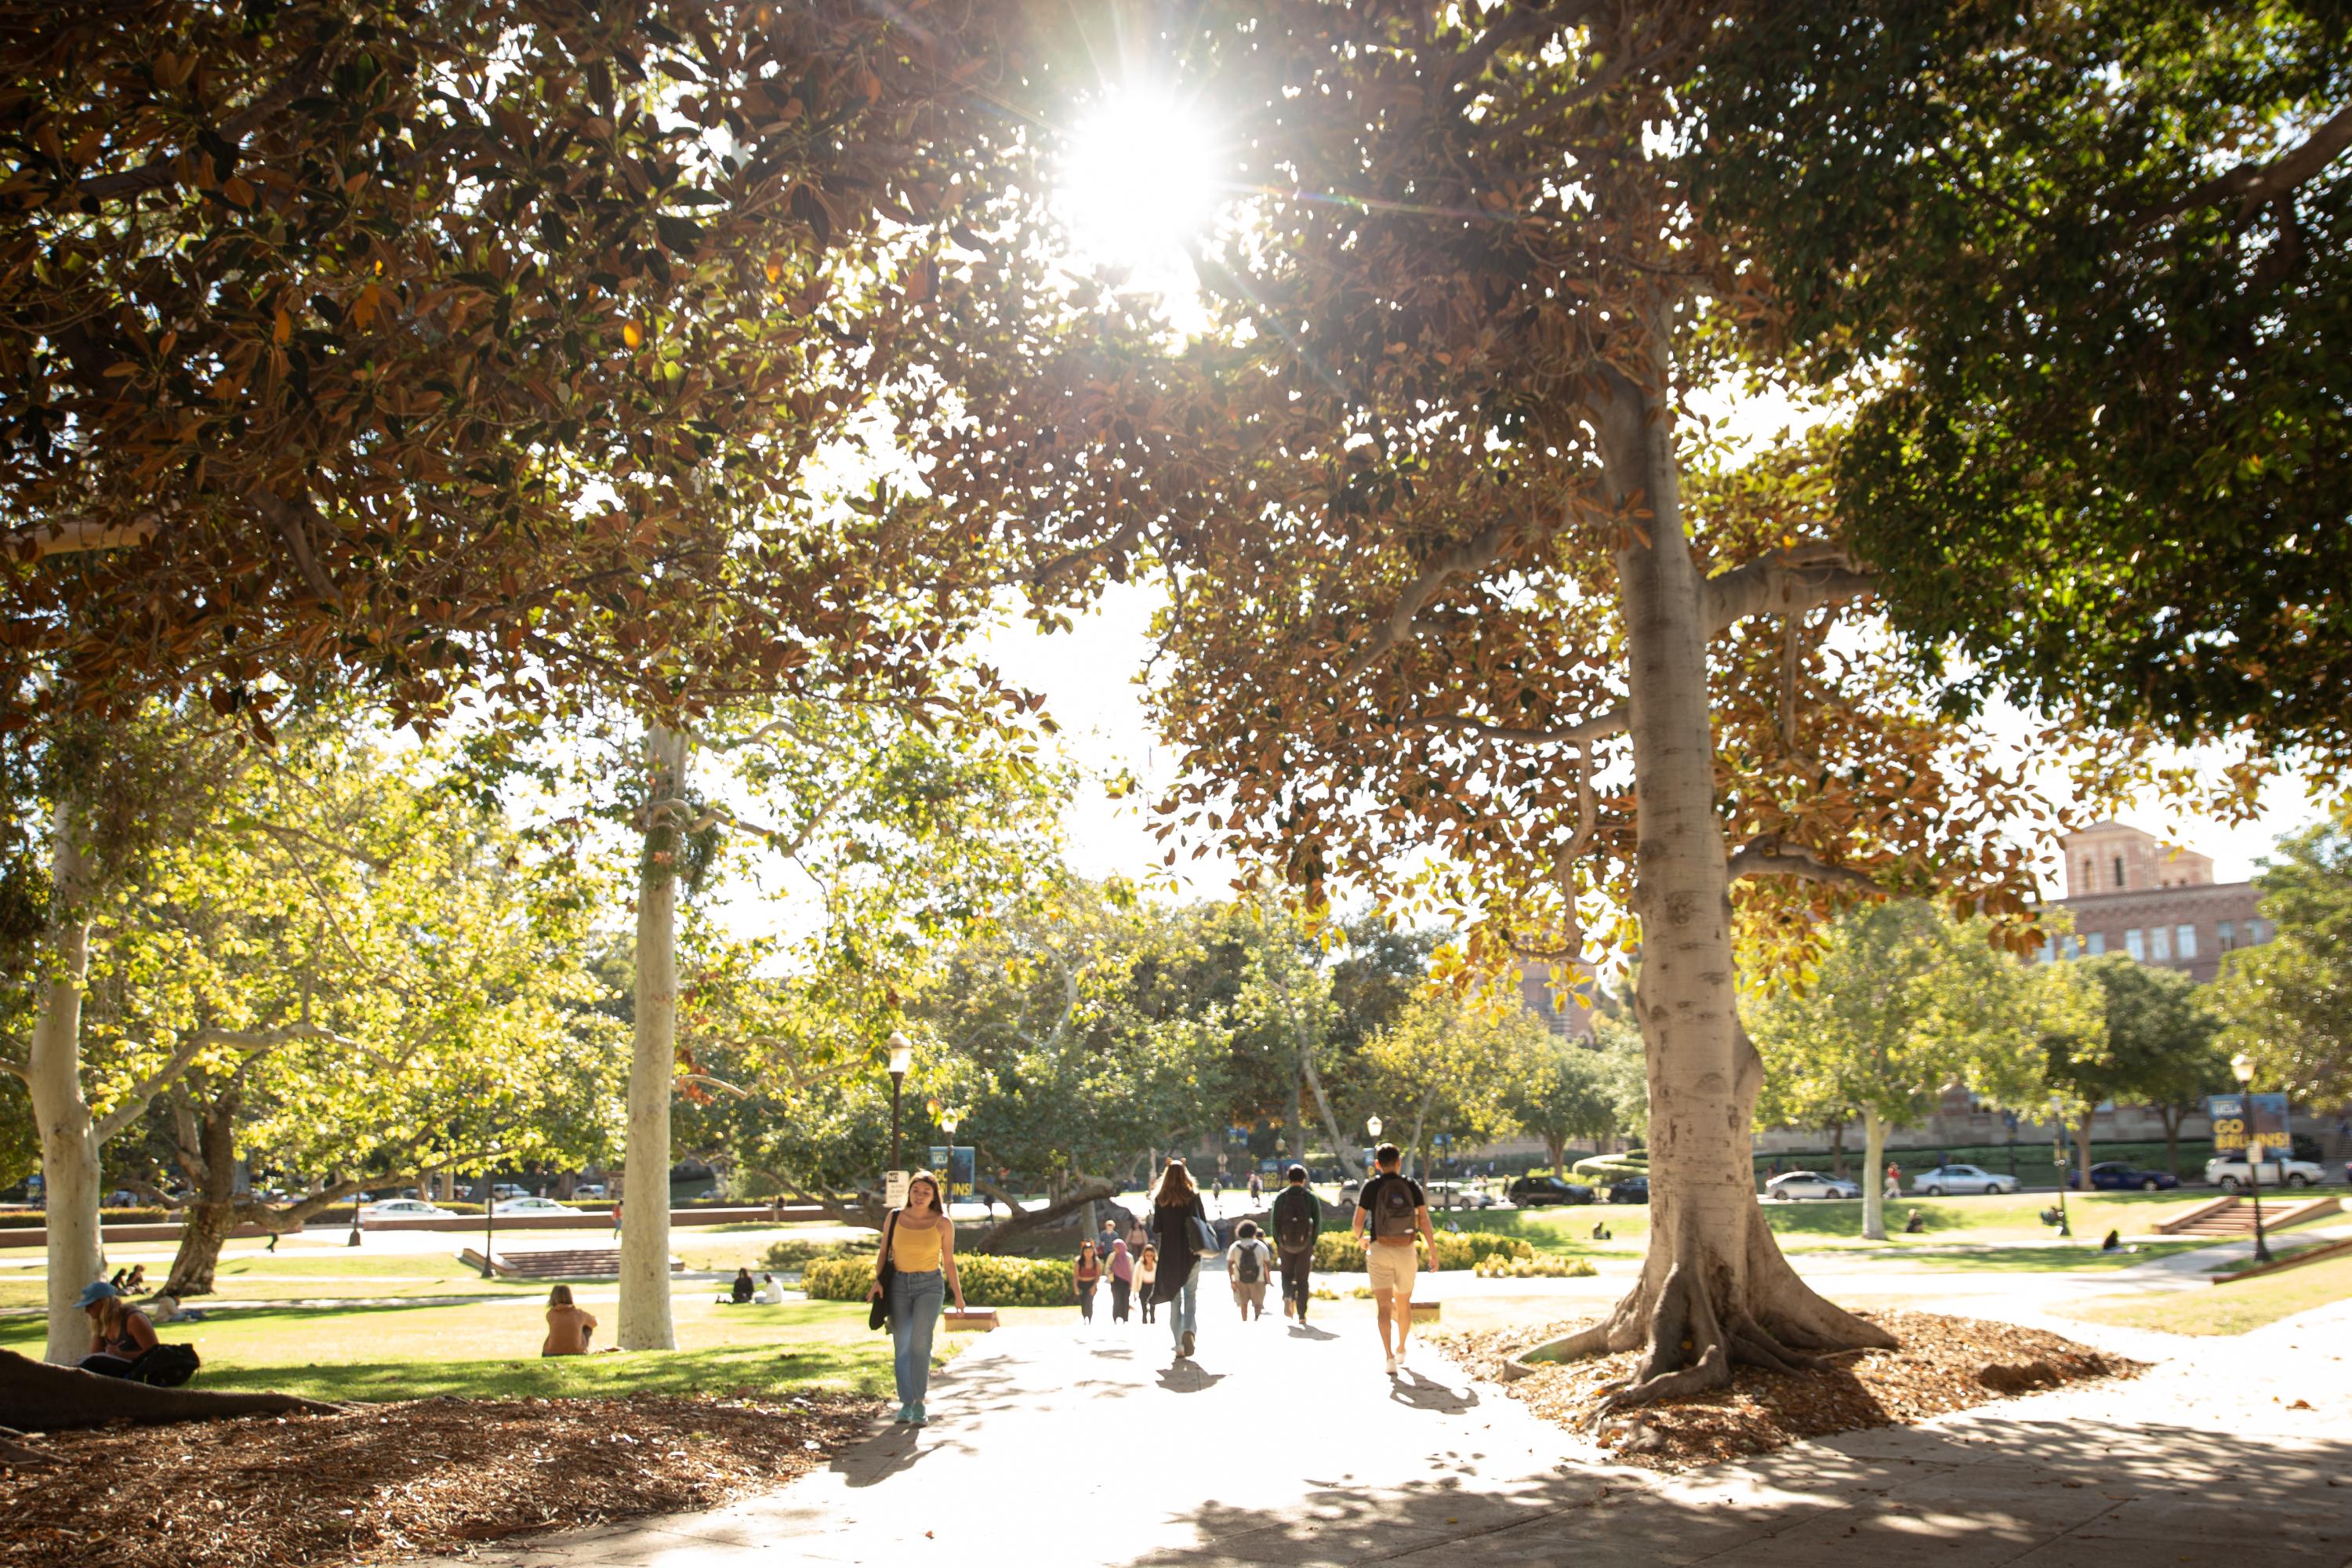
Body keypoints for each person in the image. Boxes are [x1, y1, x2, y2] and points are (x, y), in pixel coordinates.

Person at [866, 1170, 965, 1427]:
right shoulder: (895, 1217)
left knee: (920, 1343)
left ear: (934, 1196)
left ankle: (919, 1403)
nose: (920, 1196)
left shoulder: (943, 1223)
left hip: (929, 1286)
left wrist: (958, 1296)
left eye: (926, 1193)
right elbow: (884, 1251)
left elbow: (950, 1261)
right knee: (903, 1344)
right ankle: (906, 1403)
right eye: (916, 1191)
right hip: (898, 1284)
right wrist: (878, 1280)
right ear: (909, 1192)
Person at [1352, 1142, 1439, 1377]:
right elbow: (1425, 1221)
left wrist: (1362, 1240)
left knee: (1382, 1306)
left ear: (1377, 1164)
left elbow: (1357, 1224)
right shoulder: (1411, 1186)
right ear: (1399, 1162)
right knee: (1404, 1303)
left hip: (1379, 1249)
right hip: (1406, 1250)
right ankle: (1401, 1349)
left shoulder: (1371, 1187)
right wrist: (1433, 1251)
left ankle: (1388, 1357)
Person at [1146, 1156, 1210, 1359]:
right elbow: (1203, 1222)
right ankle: (1189, 1330)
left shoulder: (1161, 1200)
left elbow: (1157, 1228)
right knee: (1191, 1296)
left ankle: (1179, 1345)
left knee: (1175, 1300)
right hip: (1192, 1253)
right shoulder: (1193, 1196)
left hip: (1169, 1256)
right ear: (1185, 1175)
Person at [1268, 1163, 1320, 1323]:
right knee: (1303, 1279)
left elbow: (1275, 1222)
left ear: (1288, 1178)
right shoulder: (1310, 1197)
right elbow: (1317, 1222)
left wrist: (1278, 1241)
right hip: (1305, 1244)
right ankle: (1302, 1315)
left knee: (1286, 1274)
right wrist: (1312, 1241)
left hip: (1285, 1243)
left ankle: (1287, 1297)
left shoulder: (1281, 1197)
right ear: (1304, 1179)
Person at [76, 1281, 158, 1377]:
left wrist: (121, 1355)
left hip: (140, 1372)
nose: (86, 1310)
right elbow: (95, 1355)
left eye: (89, 1305)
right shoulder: (101, 1322)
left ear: (104, 1302)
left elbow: (155, 1353)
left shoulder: (133, 1319)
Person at [1227, 1219, 1273, 1320]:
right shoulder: (1261, 1246)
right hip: (1259, 1278)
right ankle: (1256, 1319)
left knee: (1243, 1304)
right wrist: (1268, 1279)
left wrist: (1232, 1281)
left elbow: (1230, 1265)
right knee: (1258, 1303)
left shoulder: (1234, 1246)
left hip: (1240, 1278)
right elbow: (1267, 1264)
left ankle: (1245, 1321)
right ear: (1254, 1232)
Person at [543, 1283, 597, 1356]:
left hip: (550, 1353)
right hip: (577, 1352)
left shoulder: (550, 1314)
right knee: (587, 1327)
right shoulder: (579, 1314)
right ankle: (582, 1349)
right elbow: (595, 1323)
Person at [1106, 1239, 1135, 1322]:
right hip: (1115, 1281)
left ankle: (1125, 1317)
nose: (1115, 1249)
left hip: (1126, 1281)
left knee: (1125, 1299)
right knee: (1116, 1299)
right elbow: (1107, 1267)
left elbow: (1132, 1270)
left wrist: (1132, 1283)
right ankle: (1115, 1317)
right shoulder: (1112, 1256)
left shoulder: (1129, 1257)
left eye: (1117, 1247)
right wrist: (1110, 1273)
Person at [1074, 1241, 1104, 1323]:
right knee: (1083, 1302)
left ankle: (1090, 1318)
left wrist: (1094, 1286)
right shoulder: (1079, 1262)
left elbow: (1098, 1275)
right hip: (1081, 1284)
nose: (1088, 1254)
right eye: (1086, 1252)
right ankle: (1084, 1318)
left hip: (1091, 1284)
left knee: (1089, 1301)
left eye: (1090, 1251)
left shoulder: (1096, 1262)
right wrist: (1076, 1287)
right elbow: (1076, 1275)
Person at [1136, 1243, 1160, 1324]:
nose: (1149, 1257)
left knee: (1153, 1306)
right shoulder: (1140, 1265)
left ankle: (1153, 1320)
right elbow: (1136, 1278)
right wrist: (1135, 1291)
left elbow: (1159, 1277)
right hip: (1143, 1287)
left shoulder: (1157, 1265)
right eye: (1147, 1255)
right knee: (1144, 1307)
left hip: (1153, 1288)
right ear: (1144, 1255)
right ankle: (1144, 1320)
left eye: (1151, 1255)